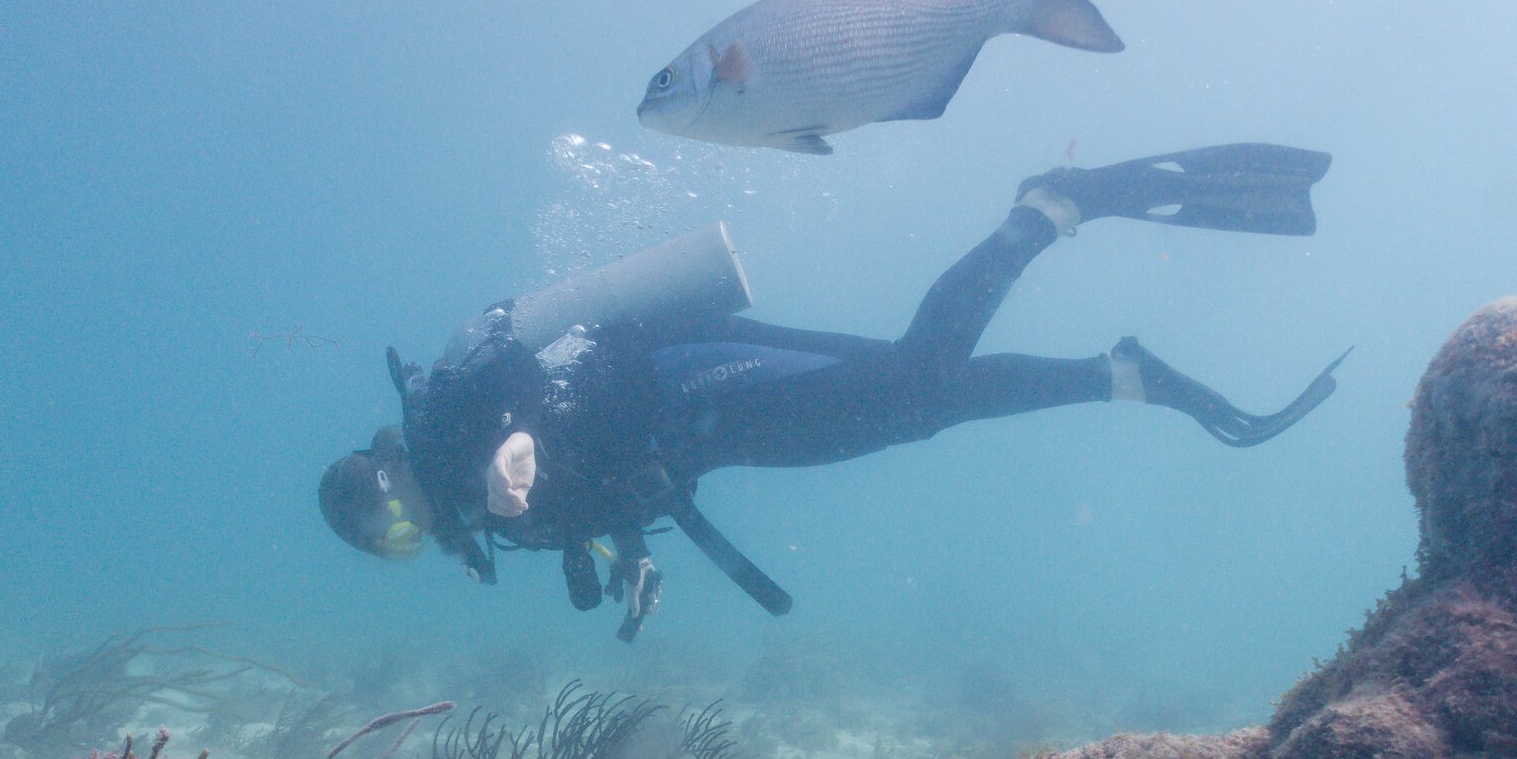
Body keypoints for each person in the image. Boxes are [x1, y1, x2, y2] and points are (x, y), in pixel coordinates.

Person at [319, 144, 1347, 640]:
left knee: (911, 386)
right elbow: (586, 485)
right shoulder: (469, 498)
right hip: (698, 430)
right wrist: (627, 553)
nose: (412, 536)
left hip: (688, 385)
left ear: (386, 479)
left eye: (392, 522)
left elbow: (540, 382)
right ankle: (1121, 375)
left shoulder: (446, 419)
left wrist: (517, 442)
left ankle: (1048, 208)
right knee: (919, 404)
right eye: (392, 548)